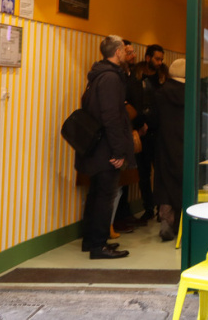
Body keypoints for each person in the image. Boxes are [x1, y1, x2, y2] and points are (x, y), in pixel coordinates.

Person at [76, 35, 134, 259]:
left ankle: (90, 241)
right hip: (106, 148)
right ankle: (98, 246)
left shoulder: (97, 74)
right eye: (124, 50)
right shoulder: (110, 78)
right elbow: (112, 117)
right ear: (118, 52)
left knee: (95, 194)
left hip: (95, 146)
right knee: (103, 196)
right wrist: (118, 151)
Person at [128, 44, 166, 222]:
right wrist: (138, 124)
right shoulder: (136, 75)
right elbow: (130, 102)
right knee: (143, 174)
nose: (160, 62)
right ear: (148, 57)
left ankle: (161, 208)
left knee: (159, 172)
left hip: (158, 131)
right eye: (157, 58)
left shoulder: (163, 76)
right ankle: (148, 208)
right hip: (141, 131)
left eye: (161, 59)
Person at [154, 58, 186, 241]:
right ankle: (182, 222)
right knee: (184, 183)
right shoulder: (194, 94)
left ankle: (166, 218)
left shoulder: (160, 93)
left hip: (165, 143)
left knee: (165, 181)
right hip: (187, 144)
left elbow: (154, 120)